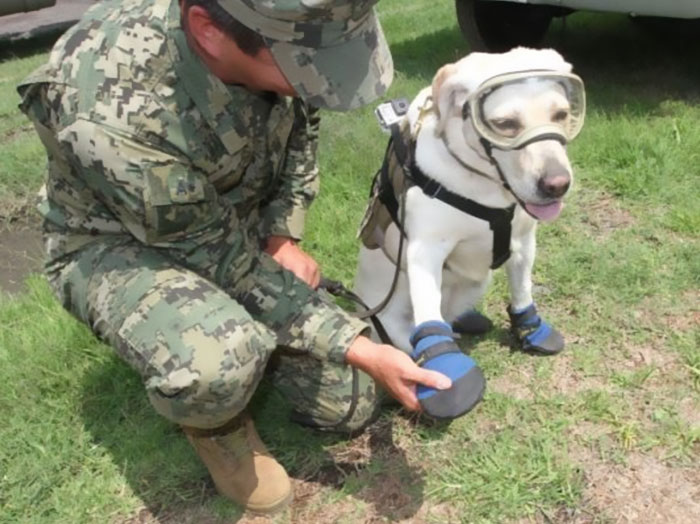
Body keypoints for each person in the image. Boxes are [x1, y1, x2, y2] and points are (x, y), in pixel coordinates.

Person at [17, 0, 452, 514]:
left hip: (224, 226)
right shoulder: (110, 106)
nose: (317, 78)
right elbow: (221, 259)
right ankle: (217, 427)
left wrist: (281, 236)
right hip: (118, 247)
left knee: (351, 403)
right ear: (208, 30)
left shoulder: (281, 38)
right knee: (220, 362)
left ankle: (251, 338)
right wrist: (359, 347)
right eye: (306, 63)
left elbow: (300, 128)